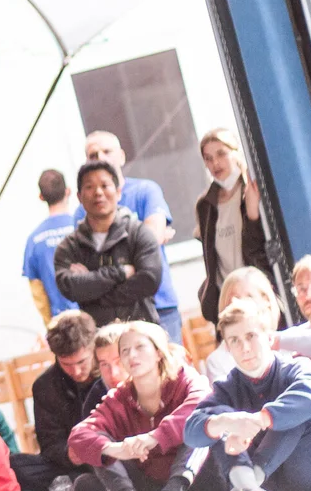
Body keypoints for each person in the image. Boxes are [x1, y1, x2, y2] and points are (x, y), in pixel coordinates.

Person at [187, 303, 311, 491]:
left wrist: (260, 420)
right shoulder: (226, 386)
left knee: (295, 412)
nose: (244, 348)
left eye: (251, 336)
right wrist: (227, 423)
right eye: (234, 341)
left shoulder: (297, 368)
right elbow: (191, 431)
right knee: (218, 420)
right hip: (270, 488)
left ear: (270, 338)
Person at [68, 321, 212, 491]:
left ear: (158, 352)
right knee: (91, 466)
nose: (131, 355)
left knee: (205, 424)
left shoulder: (184, 378)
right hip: (147, 488)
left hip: (191, 482)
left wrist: (154, 437)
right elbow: (79, 436)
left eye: (139, 347)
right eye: (125, 351)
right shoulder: (118, 397)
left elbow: (203, 403)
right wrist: (116, 450)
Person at [80, 131, 185, 338]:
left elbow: (152, 239)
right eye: (93, 155)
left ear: (121, 156)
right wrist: (140, 244)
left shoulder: (146, 191)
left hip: (159, 305)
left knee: (171, 369)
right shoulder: (82, 210)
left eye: (107, 151)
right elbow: (86, 265)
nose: (100, 158)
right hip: (113, 314)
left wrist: (112, 258)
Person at [54, 160, 165, 328]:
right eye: (89, 187)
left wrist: (94, 295)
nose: (98, 192)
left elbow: (149, 279)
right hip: (98, 340)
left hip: (142, 331)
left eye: (105, 185)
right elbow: (70, 287)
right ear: (79, 197)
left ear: (118, 192)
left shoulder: (138, 233)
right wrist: (120, 273)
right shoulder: (69, 247)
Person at [31, 310, 108, 491]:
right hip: (77, 466)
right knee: (18, 465)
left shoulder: (113, 369)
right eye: (66, 364)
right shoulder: (45, 386)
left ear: (93, 347)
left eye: (82, 362)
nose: (75, 371)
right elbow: (49, 445)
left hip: (118, 455)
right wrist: (69, 454)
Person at [194, 128, 271, 324]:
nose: (215, 163)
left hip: (257, 290)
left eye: (221, 154)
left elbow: (261, 242)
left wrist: (253, 213)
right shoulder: (205, 205)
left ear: (236, 152)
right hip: (227, 298)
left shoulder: (251, 189)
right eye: (208, 158)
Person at [202, 267, 284, 382]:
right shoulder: (217, 361)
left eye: (249, 297)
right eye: (234, 299)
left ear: (266, 300)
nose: (242, 303)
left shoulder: (288, 343)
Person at [22, 168, 80, 326]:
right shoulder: (82, 227)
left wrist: (51, 324)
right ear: (68, 191)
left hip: (63, 323)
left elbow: (38, 292)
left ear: (41, 197)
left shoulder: (34, 240)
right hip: (93, 314)